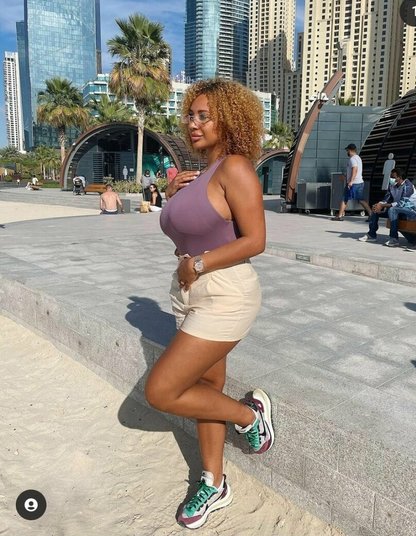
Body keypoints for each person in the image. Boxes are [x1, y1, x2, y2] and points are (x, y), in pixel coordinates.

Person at [145, 79, 274, 530]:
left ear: (229, 120)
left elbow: (256, 240)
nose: (193, 123)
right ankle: (214, 482)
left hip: (225, 291)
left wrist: (198, 263)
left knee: (162, 391)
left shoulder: (235, 167)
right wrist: (175, 197)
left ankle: (249, 416)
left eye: (205, 116)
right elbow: (188, 232)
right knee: (205, 389)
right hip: (190, 292)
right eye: (190, 115)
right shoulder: (198, 176)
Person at [359, 168, 416, 247]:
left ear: (400, 177)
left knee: (392, 210)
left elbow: (401, 204)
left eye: (393, 177)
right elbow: (386, 199)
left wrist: (383, 205)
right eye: (391, 177)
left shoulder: (408, 186)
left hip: (411, 212)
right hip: (398, 210)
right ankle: (371, 235)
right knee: (375, 209)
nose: (391, 179)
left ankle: (394, 239)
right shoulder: (392, 185)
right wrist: (379, 204)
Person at [331, 143, 372, 221]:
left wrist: (350, 181)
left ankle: (339, 216)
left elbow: (355, 169)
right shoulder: (358, 158)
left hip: (353, 183)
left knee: (344, 198)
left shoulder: (352, 159)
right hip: (359, 182)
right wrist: (346, 177)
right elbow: (354, 171)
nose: (347, 152)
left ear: (350, 150)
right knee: (360, 200)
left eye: (347, 150)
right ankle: (371, 214)